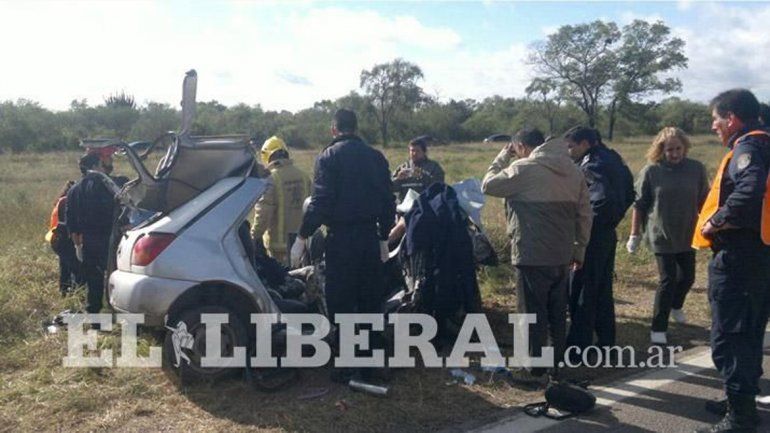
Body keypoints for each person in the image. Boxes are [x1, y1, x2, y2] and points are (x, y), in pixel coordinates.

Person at [291, 108, 395, 382]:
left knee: (343, 303)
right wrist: (384, 236)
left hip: (342, 240)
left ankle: (349, 366)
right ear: (355, 128)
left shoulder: (328, 158)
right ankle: (371, 366)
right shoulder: (376, 157)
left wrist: (302, 236)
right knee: (370, 301)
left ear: (334, 130)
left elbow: (321, 203)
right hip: (369, 240)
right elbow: (388, 200)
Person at [482, 127, 592, 377]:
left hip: (531, 253)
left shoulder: (524, 169)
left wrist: (502, 157)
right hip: (562, 253)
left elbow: (488, 185)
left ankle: (532, 367)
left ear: (521, 147)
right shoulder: (574, 171)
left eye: (516, 149)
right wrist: (580, 248)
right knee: (556, 311)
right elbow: (585, 214)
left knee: (530, 313)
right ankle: (557, 364)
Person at [693, 89, 770, 433]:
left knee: (730, 337)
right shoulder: (766, 143)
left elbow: (749, 189)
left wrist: (717, 220)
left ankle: (740, 418)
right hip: (760, 255)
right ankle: (739, 398)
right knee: (750, 332)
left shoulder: (749, 147)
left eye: (716, 119)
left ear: (732, 118)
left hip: (740, 257)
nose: (714, 126)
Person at [627, 127, 709, 345]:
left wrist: (710, 224)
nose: (674, 154)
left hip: (687, 232)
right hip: (661, 233)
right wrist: (634, 234)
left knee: (688, 277)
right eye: (669, 149)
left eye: (678, 148)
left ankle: (676, 305)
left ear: (685, 147)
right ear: (661, 150)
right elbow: (640, 204)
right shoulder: (652, 171)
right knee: (668, 279)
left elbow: (704, 200)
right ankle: (658, 327)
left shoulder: (696, 169)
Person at [563, 126, 634, 356]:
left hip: (592, 236)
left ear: (585, 144)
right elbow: (630, 193)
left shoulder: (591, 164)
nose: (569, 150)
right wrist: (613, 219)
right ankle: (606, 341)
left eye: (572, 145)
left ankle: (577, 347)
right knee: (602, 289)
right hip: (606, 234)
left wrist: (584, 229)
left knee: (582, 289)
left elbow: (600, 199)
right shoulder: (613, 157)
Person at [66, 148, 122, 314]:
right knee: (116, 275)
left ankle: (94, 314)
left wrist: (78, 247)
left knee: (94, 279)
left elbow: (72, 222)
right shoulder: (110, 186)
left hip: (89, 242)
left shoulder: (74, 190)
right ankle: (119, 311)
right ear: (97, 164)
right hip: (111, 239)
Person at [250, 136, 311, 266]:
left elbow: (263, 214)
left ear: (267, 156)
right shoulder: (304, 177)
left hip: (279, 249)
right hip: (303, 246)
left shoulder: (272, 180)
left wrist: (253, 237)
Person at [46, 180, 80, 296]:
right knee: (75, 269)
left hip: (56, 239)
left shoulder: (61, 201)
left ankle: (64, 293)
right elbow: (69, 224)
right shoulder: (67, 201)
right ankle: (75, 294)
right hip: (64, 239)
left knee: (64, 268)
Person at [392, 136, 445, 202]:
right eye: (412, 151)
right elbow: (390, 188)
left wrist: (423, 176)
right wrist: (398, 179)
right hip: (405, 207)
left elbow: (439, 188)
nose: (414, 153)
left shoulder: (434, 168)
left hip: (426, 206)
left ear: (424, 152)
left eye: (417, 151)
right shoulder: (402, 168)